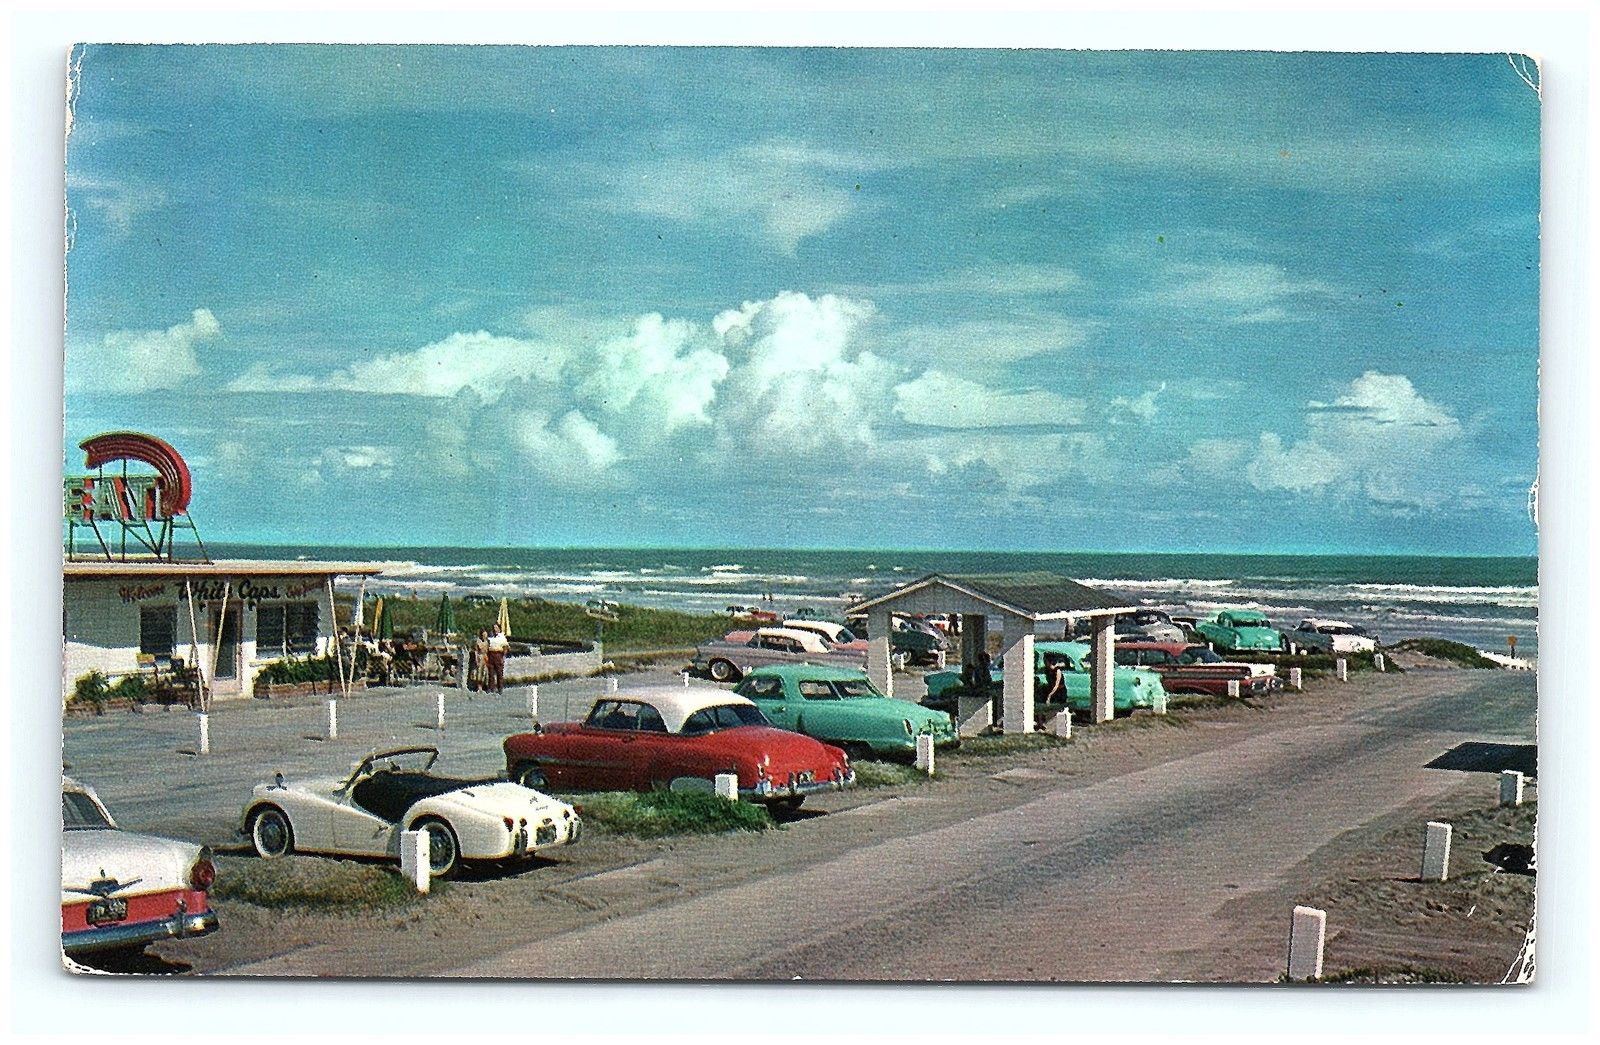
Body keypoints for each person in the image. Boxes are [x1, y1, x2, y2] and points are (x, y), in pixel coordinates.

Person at [486, 624, 509, 693]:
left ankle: (500, 687)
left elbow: (505, 647)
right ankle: (491, 687)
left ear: (499, 629)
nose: (495, 629)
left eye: (496, 628)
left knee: (499, 672)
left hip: (498, 654)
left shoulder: (502, 637)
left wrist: (503, 657)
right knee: (491, 672)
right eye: (494, 628)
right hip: (491, 654)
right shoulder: (490, 637)